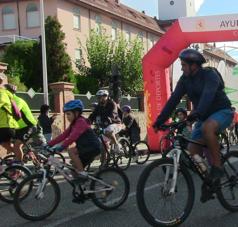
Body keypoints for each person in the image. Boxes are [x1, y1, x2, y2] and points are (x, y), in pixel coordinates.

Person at [153, 49, 233, 201]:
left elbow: (207, 96)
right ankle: (209, 181)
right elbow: (173, 100)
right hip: (203, 117)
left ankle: (217, 167)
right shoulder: (185, 80)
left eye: (183, 65)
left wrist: (195, 114)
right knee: (192, 152)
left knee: (207, 128)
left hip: (222, 111)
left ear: (194, 65)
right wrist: (160, 120)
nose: (181, 68)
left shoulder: (209, 75)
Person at [47, 99, 101, 180]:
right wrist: (49, 144)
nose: (67, 117)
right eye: (66, 114)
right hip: (85, 147)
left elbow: (72, 137)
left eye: (69, 114)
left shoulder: (81, 122)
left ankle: (82, 173)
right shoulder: (74, 123)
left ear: (76, 113)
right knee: (73, 168)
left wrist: (62, 146)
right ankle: (82, 188)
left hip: (92, 147)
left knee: (71, 150)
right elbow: (63, 135)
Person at [4, 84, 46, 162]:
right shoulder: (7, 101)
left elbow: (14, 113)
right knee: (9, 143)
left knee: (17, 146)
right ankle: (29, 156)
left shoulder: (17, 101)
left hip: (29, 126)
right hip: (19, 128)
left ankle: (19, 169)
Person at [0, 77, 18, 154]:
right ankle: (18, 156)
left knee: (6, 144)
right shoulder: (5, 94)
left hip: (5, 126)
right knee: (6, 145)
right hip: (6, 126)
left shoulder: (2, 93)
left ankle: (19, 155)